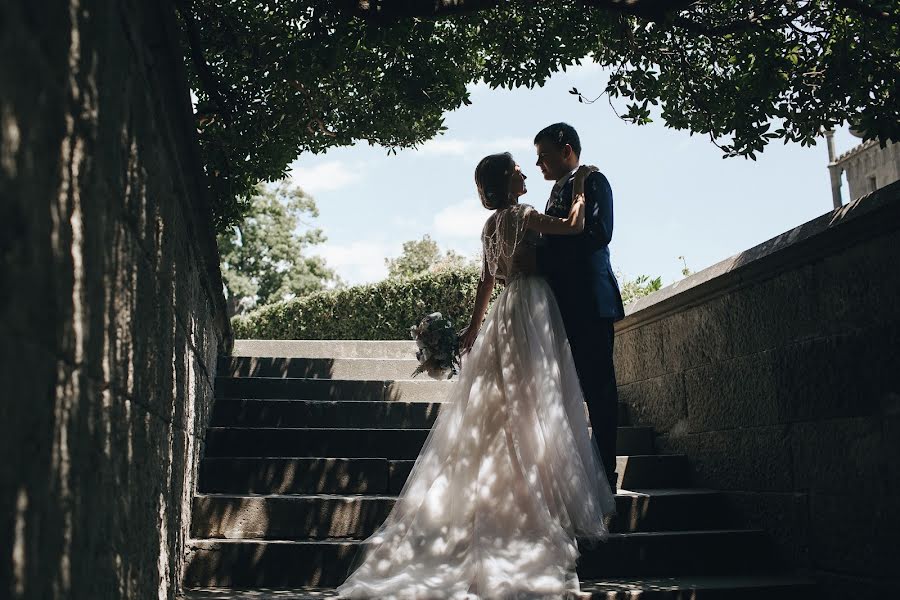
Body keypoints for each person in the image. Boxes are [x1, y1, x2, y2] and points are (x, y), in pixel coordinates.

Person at [337, 153, 616, 599]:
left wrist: (471, 331)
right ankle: (536, 493)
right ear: (507, 180)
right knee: (537, 401)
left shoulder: (488, 229)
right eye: (518, 169)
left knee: (505, 405)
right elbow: (575, 227)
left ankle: (510, 483)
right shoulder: (525, 214)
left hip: (505, 312)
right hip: (534, 306)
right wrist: (580, 188)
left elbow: (486, 283)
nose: (525, 171)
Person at [534, 123, 625, 492]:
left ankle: (606, 476)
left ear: (566, 150)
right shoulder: (557, 190)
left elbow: (598, 233)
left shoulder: (593, 181)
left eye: (543, 156)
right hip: (559, 305)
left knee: (599, 390)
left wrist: (545, 256)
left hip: (589, 301)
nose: (538, 164)